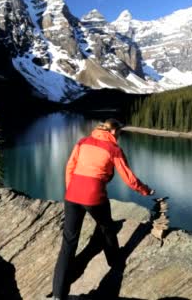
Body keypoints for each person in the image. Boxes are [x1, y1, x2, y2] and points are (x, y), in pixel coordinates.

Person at [51, 118, 155, 299]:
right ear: (114, 132)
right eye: (120, 133)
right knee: (107, 227)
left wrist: (71, 189)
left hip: (72, 194)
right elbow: (129, 178)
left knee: (68, 243)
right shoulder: (114, 149)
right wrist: (145, 190)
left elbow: (70, 167)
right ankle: (114, 261)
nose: (120, 136)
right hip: (93, 196)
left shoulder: (83, 142)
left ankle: (59, 294)